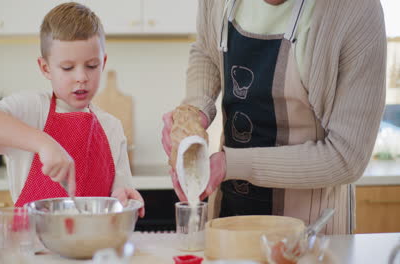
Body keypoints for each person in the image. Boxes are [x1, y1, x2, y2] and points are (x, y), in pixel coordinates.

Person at [162, 0, 386, 234]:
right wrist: (196, 110)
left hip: (310, 234)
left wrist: (230, 165)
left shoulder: (357, 11)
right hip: (230, 219)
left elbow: (346, 158)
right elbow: (207, 50)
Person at [0, 2, 144, 217]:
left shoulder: (112, 128)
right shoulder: (32, 109)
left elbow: (119, 195)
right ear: (45, 68)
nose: (81, 77)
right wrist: (43, 143)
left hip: (93, 246)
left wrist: (125, 199)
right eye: (68, 68)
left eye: (92, 65)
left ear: (103, 62)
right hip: (32, 245)